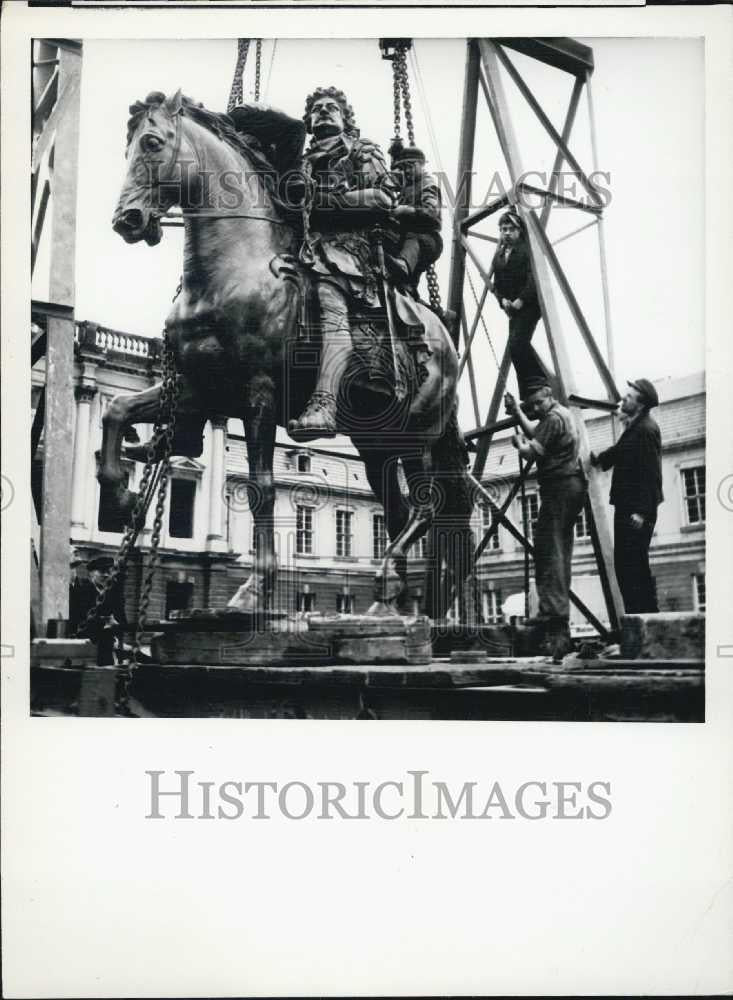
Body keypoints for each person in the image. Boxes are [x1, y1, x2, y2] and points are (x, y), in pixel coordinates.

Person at [287, 86, 399, 442]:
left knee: (328, 293)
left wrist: (328, 203)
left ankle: (325, 403)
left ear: (344, 117)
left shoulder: (363, 151)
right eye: (316, 108)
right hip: (304, 246)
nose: (323, 112)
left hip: (347, 249)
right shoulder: (299, 163)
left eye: (331, 107)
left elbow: (383, 197)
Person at [505, 380, 587, 661]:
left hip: (560, 487)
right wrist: (517, 411)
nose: (537, 408)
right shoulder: (559, 414)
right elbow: (537, 432)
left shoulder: (553, 419)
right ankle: (552, 614)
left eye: (540, 402)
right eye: (533, 405)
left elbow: (532, 449)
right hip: (567, 486)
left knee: (549, 552)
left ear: (549, 396)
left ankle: (553, 618)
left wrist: (518, 444)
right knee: (554, 550)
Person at [591, 378, 663, 613]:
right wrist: (600, 459)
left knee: (633, 568)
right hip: (628, 508)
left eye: (629, 397)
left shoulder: (645, 430)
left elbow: (651, 473)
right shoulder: (636, 428)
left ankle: (645, 622)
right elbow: (621, 451)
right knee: (628, 567)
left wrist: (642, 512)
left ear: (641, 404)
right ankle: (640, 622)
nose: (623, 399)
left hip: (636, 512)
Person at [490, 209, 546, 399]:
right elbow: (496, 285)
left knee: (518, 343)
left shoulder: (527, 249)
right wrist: (503, 301)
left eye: (510, 229)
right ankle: (528, 393)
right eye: (503, 229)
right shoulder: (498, 257)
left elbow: (533, 279)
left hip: (529, 305)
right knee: (516, 347)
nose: (506, 232)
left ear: (519, 230)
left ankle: (539, 383)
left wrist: (521, 300)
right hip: (512, 309)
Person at [385, 139, 443, 290]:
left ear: (420, 165)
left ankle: (403, 264)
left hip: (426, 239)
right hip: (407, 239)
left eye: (409, 167)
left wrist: (407, 210)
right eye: (403, 169)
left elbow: (431, 211)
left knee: (412, 240)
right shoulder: (407, 187)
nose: (406, 172)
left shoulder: (428, 183)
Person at [69, 553, 128, 665]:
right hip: (85, 642)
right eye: (101, 571)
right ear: (91, 573)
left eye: (109, 572)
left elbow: (122, 618)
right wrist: (102, 622)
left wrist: (117, 624)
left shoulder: (114, 595)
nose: (106, 575)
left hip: (106, 644)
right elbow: (77, 617)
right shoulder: (81, 591)